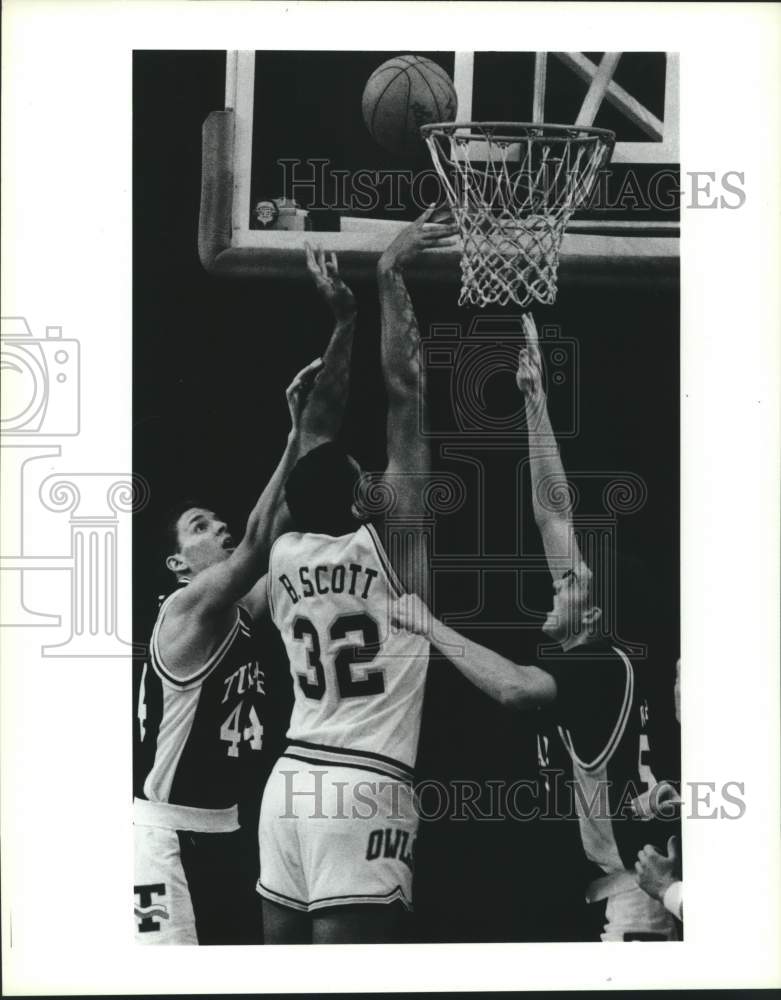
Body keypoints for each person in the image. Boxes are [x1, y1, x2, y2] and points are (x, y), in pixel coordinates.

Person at [392, 312, 681, 942]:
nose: (558, 580)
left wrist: (427, 623)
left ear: (596, 614)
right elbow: (554, 514)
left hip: (640, 896)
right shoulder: (604, 647)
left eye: (572, 582)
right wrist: (535, 401)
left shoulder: (599, 667)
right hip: (621, 885)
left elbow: (516, 688)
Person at [257, 208, 459, 944]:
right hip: (363, 782)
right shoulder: (394, 549)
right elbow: (409, 395)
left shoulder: (283, 555)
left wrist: (340, 322)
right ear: (358, 495)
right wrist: (387, 276)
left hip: (288, 781)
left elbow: (312, 434)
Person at [134, 357, 323, 944]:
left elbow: (290, 513)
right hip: (162, 840)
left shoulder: (240, 611)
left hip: (227, 835)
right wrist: (293, 438)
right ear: (177, 564)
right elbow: (257, 540)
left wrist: (313, 429)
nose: (217, 528)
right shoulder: (183, 611)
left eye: (218, 521)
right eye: (199, 527)